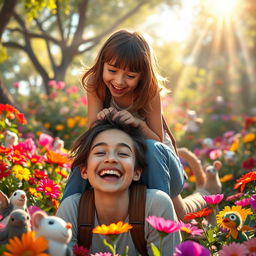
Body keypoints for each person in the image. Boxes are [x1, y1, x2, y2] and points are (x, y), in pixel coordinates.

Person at [62, 29, 221, 219]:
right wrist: (100, 119)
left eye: (130, 76)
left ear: (142, 75)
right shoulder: (96, 86)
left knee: (177, 211)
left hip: (159, 167)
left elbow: (158, 141)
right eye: (112, 71)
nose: (119, 81)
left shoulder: (149, 91)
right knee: (85, 156)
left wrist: (138, 124)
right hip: (126, 162)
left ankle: (192, 203)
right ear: (102, 64)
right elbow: (93, 135)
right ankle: (63, 221)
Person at [56, 117, 181, 255]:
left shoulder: (157, 205)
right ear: (84, 171)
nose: (111, 159)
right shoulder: (71, 209)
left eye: (122, 153)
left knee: (195, 202)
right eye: (100, 152)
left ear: (136, 172)